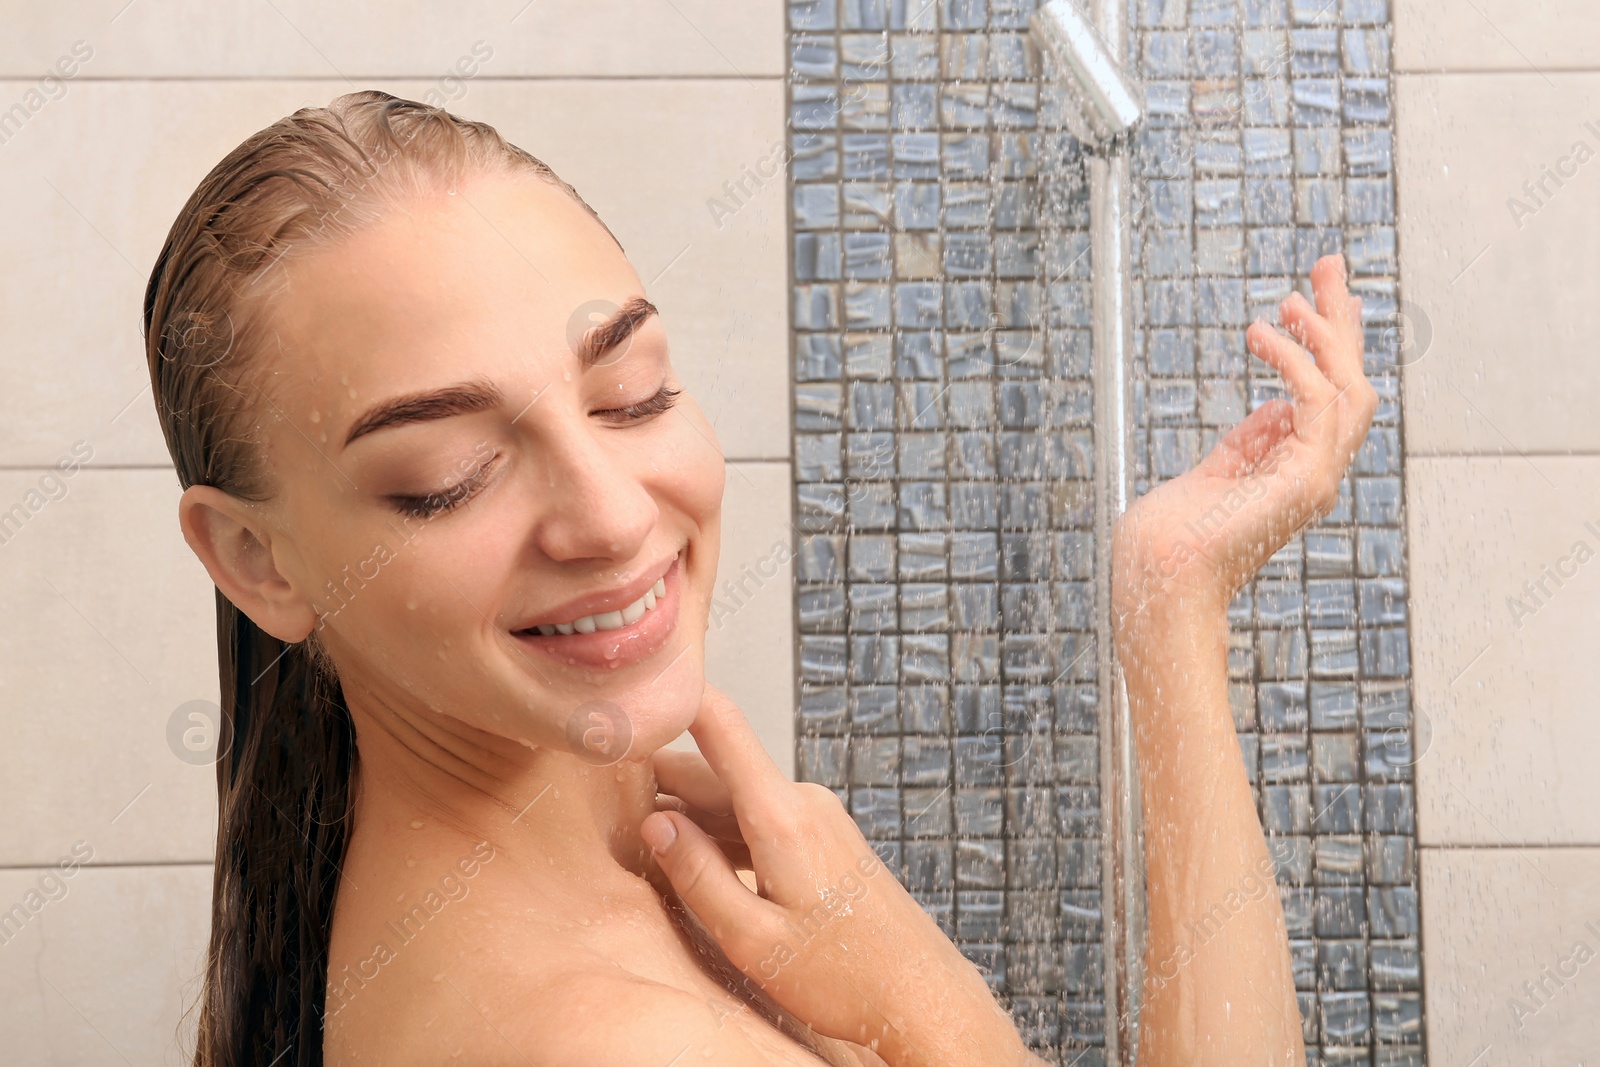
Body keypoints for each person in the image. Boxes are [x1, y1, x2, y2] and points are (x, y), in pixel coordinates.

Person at [146, 90, 1375, 1066]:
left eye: (632, 393)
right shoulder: (603, 1041)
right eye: (450, 473)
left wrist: (1171, 609)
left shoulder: (637, 843)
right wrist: (921, 998)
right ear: (257, 559)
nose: (615, 513)